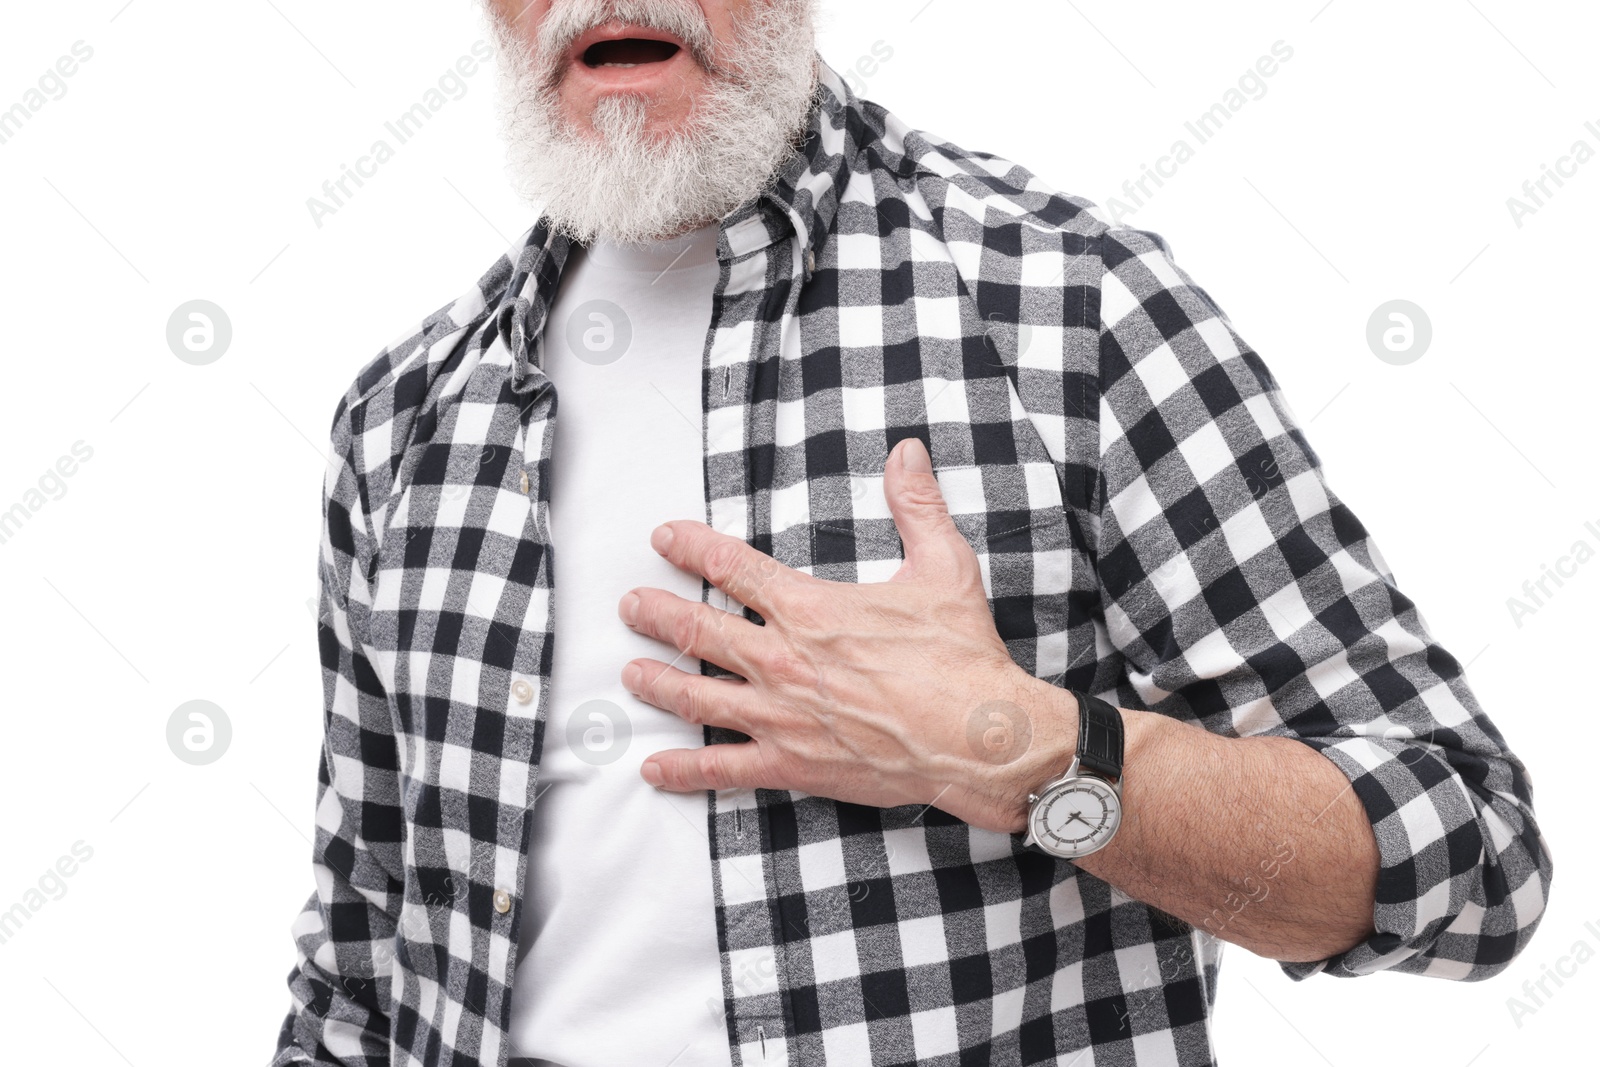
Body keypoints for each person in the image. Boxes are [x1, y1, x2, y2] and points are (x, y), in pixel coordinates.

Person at [270, 1, 1553, 1065]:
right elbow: (354, 961)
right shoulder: (403, 423)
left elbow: (1471, 853)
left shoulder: (1065, 312)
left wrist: (1020, 753)